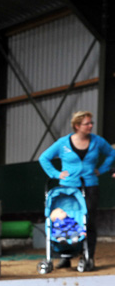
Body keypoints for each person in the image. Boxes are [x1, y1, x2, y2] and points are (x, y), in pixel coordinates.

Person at [38, 110, 115, 270]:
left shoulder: (97, 141)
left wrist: (101, 169)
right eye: (87, 123)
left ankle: (88, 257)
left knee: (89, 221)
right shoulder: (63, 143)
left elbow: (111, 153)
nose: (90, 126)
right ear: (77, 126)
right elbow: (43, 158)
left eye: (91, 123)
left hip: (90, 185)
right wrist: (56, 174)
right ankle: (65, 256)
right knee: (68, 220)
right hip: (68, 187)